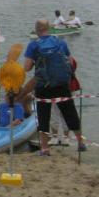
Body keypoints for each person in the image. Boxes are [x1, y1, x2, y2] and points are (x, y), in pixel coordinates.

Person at [23, 19, 85, 155]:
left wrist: (36, 63)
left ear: (37, 30)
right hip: (61, 84)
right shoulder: (60, 42)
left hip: (43, 86)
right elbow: (71, 62)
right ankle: (80, 142)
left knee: (43, 116)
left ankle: (45, 148)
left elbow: (26, 67)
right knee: (70, 112)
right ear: (49, 28)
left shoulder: (33, 45)